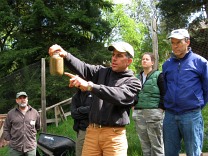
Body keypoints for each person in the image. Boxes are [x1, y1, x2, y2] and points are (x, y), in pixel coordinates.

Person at [48, 41, 142, 156]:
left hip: (114, 137)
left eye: (119, 56)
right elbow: (84, 67)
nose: (114, 58)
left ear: (129, 61)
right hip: (92, 132)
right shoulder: (101, 72)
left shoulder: (134, 82)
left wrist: (90, 86)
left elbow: (119, 95)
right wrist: (65, 55)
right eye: (113, 55)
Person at [162, 29, 208, 156]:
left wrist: (196, 105)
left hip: (191, 116)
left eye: (178, 42)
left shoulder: (201, 62)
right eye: (172, 42)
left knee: (193, 152)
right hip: (170, 116)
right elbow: (165, 88)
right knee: (169, 153)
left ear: (187, 42)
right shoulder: (167, 65)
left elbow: (206, 89)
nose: (175, 46)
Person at [133, 52, 165, 156]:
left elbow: (165, 93)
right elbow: (133, 93)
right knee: (144, 144)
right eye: (143, 59)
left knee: (156, 144)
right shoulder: (137, 77)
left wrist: (161, 109)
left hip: (154, 113)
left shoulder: (159, 75)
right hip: (139, 113)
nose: (144, 61)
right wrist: (134, 106)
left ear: (152, 62)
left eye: (147, 59)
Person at [3, 91, 41, 156]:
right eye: (20, 98)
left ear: (27, 99)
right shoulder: (11, 114)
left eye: (24, 98)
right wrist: (9, 140)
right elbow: (6, 128)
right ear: (17, 100)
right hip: (15, 148)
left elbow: (38, 127)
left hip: (30, 147)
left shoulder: (34, 112)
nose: (22, 100)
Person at [70, 90, 92, 156]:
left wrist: (80, 109)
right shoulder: (75, 96)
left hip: (95, 128)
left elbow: (95, 110)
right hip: (81, 130)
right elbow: (73, 114)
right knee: (79, 153)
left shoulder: (94, 93)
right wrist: (87, 112)